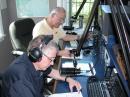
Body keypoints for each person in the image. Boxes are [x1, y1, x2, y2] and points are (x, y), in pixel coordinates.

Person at [2, 35, 81, 97]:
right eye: (51, 59)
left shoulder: (35, 61)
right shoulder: (21, 81)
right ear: (37, 54)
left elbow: (52, 72)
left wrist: (68, 79)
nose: (52, 63)